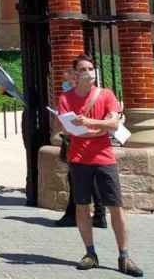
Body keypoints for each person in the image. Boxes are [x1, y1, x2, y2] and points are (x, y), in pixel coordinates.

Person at [57, 54, 142, 277]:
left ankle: (124, 256)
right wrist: (95, 127)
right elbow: (66, 127)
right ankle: (90, 253)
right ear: (75, 74)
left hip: (104, 158)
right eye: (83, 69)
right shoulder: (66, 98)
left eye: (91, 68)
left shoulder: (106, 95)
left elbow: (114, 123)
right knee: (82, 206)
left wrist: (89, 123)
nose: (89, 72)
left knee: (116, 207)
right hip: (79, 159)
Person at [57, 72, 107, 229]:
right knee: (88, 181)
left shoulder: (86, 98)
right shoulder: (73, 97)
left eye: (68, 81)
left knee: (79, 180)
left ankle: (84, 215)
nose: (66, 84)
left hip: (82, 145)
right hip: (81, 144)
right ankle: (98, 215)